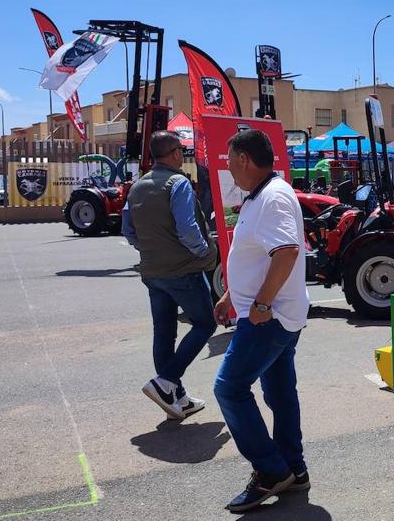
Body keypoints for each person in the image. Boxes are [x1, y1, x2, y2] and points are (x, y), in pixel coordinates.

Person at [212, 129, 311, 513]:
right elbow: (256, 254)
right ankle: (293, 468)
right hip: (274, 315)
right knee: (280, 393)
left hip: (271, 318)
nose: (229, 169)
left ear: (243, 160)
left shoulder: (271, 198)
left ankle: (270, 471)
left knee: (229, 388)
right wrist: (230, 295)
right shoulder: (261, 196)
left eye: (229, 161)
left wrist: (261, 304)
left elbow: (286, 251)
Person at [123, 131, 217, 421]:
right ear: (175, 153)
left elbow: (128, 231)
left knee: (163, 332)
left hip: (152, 271)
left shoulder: (137, 187)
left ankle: (176, 398)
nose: (183, 155)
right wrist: (203, 253)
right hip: (183, 269)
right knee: (205, 323)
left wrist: (152, 248)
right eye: (182, 150)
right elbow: (188, 229)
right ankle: (166, 382)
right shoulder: (178, 183)